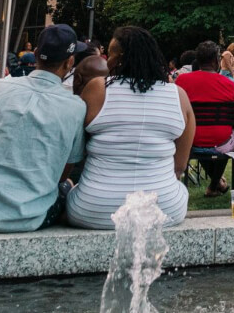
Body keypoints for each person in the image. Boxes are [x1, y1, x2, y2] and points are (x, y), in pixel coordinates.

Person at [0, 25, 87, 234]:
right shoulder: (76, 107)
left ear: (37, 54)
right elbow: (61, 174)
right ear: (70, 62)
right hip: (29, 217)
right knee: (66, 186)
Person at [68, 26, 195, 229]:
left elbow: (75, 149)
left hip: (95, 208)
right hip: (163, 209)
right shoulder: (178, 96)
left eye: (109, 54)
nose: (106, 59)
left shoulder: (97, 88)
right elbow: (179, 167)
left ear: (120, 58)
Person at [176, 41, 234, 197]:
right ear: (216, 61)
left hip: (189, 142)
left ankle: (215, 184)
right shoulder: (228, 83)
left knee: (200, 138)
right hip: (221, 141)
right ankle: (214, 184)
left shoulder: (182, 81)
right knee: (230, 135)